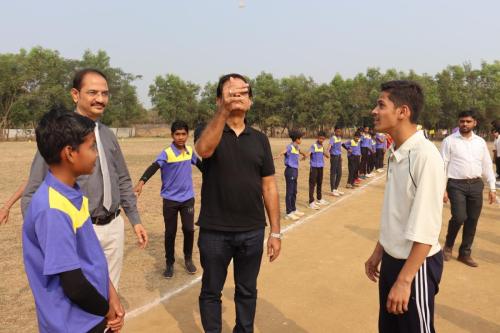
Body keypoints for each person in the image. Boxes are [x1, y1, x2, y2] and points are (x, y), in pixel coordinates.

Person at [21, 68, 148, 288]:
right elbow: (32, 191)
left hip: (113, 226)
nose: (100, 99)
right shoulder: (60, 134)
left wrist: (134, 220)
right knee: (83, 298)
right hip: (80, 229)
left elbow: (123, 180)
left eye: (105, 93)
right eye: (92, 92)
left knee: (110, 293)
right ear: (75, 94)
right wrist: (44, 240)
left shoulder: (108, 135)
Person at [23, 107, 124, 333]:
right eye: (91, 147)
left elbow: (91, 255)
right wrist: (106, 310)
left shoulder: (72, 193)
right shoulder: (52, 209)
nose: (97, 154)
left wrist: (111, 293)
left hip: (92, 312)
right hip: (73, 324)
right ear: (69, 153)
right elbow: (74, 286)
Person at [194, 74, 281, 333]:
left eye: (242, 93)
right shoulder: (206, 130)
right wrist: (222, 113)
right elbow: (204, 151)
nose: (237, 97)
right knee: (211, 290)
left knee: (247, 290)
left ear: (251, 101)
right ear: (219, 99)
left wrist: (275, 231)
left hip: (252, 230)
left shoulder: (260, 139)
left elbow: (269, 185)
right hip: (214, 231)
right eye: (231, 92)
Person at [365, 80, 446, 333]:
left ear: (403, 112)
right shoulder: (396, 150)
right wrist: (380, 249)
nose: (374, 111)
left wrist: (404, 279)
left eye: (381, 105)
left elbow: (426, 226)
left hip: (415, 267)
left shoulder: (425, 156)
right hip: (393, 258)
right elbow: (396, 209)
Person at [134, 120, 201, 278]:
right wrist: (141, 181)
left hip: (187, 199)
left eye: (183, 134)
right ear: (172, 135)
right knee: (170, 232)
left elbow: (202, 166)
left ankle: (188, 259)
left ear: (187, 135)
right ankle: (169, 263)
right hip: (170, 200)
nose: (180, 137)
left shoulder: (190, 152)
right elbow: (154, 167)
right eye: (177, 134)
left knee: (188, 230)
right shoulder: (167, 153)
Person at [441, 110, 497, 267]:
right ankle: (448, 246)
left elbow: (486, 165)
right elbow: (443, 165)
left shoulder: (480, 142)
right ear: (458, 123)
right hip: (456, 184)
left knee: (472, 220)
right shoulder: (449, 141)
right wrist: (442, 189)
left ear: (474, 123)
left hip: (476, 184)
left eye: (468, 121)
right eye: (462, 121)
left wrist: (492, 188)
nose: (464, 124)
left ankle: (465, 253)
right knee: (459, 217)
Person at [274, 129, 307, 220]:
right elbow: (284, 150)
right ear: (296, 139)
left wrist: (305, 155)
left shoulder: (296, 147)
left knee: (294, 191)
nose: (301, 140)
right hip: (290, 170)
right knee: (290, 191)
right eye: (300, 138)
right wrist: (278, 155)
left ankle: (294, 209)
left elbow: (300, 151)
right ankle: (288, 212)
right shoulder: (290, 146)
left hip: (295, 170)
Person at [308, 130, 330, 209]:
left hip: (321, 166)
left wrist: (327, 154)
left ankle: (319, 199)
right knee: (312, 184)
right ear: (317, 137)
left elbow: (324, 153)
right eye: (320, 138)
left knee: (320, 183)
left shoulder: (321, 146)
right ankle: (311, 202)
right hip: (314, 167)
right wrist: (306, 155)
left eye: (323, 139)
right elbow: (309, 152)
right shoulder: (314, 145)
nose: (321, 140)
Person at [328, 127, 345, 197]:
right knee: (333, 173)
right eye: (337, 131)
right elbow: (329, 146)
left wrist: (340, 156)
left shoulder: (339, 138)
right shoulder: (333, 138)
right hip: (334, 157)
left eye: (339, 131)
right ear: (334, 131)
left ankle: (336, 188)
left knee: (340, 173)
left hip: (338, 156)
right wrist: (327, 152)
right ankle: (332, 190)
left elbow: (339, 148)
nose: (338, 133)